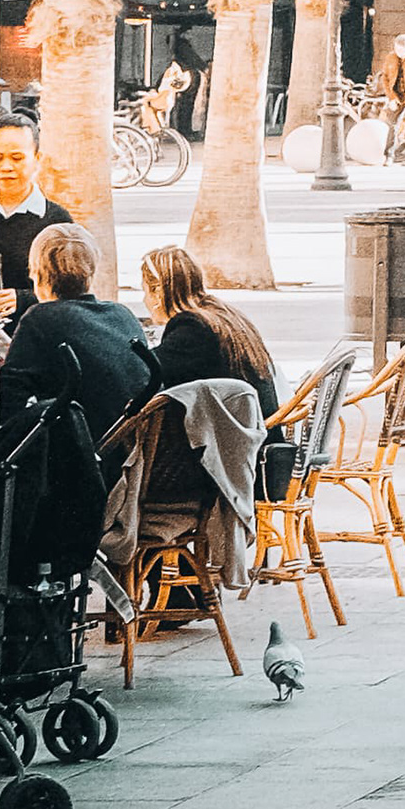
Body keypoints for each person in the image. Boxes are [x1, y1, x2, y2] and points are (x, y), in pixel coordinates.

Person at [137, 241, 278, 613]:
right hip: (257, 453)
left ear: (157, 289)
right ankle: (184, 587)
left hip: (234, 465)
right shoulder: (220, 312)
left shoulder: (189, 328)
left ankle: (170, 591)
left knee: (132, 477)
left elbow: (146, 377)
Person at [0, 218, 154, 439]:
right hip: (128, 447)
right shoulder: (122, 314)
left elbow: (8, 398)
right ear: (91, 272)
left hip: (79, 450)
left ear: (36, 273)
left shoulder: (41, 318)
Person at [0, 127, 70, 311]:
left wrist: (24, 298)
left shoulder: (56, 221)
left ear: (37, 159)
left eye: (17, 158)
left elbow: (69, 292)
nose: (6, 167)